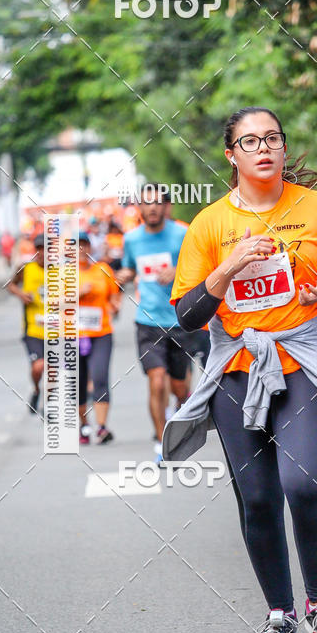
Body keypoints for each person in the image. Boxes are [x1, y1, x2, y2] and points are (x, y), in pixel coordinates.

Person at [165, 106, 317, 633]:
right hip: (238, 369)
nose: (264, 148)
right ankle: (280, 614)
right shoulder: (210, 225)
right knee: (257, 500)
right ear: (231, 155)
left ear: (283, 148)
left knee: (304, 483)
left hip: (300, 360)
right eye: (250, 141)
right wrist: (228, 265)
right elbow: (187, 314)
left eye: (273, 139)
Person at [117, 187, 195, 458]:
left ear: (167, 207)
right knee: (156, 379)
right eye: (146, 203)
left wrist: (178, 270)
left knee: (179, 387)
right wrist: (124, 275)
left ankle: (180, 408)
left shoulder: (182, 235)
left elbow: (200, 267)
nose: (151, 208)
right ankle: (163, 443)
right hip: (147, 321)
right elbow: (128, 267)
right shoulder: (132, 239)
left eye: (157, 203)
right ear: (139, 208)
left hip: (178, 318)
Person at [78, 231, 121, 445]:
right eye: (76, 246)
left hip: (101, 332)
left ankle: (102, 427)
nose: (81, 250)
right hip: (72, 335)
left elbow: (114, 292)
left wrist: (115, 304)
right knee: (78, 382)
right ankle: (83, 426)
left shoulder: (103, 269)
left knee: (100, 376)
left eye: (84, 245)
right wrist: (76, 293)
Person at [6, 231, 46, 414]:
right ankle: (37, 389)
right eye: (39, 249)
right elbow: (10, 284)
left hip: (56, 328)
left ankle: (50, 404)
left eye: (47, 249)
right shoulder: (26, 268)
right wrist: (21, 295)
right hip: (32, 329)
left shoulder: (61, 270)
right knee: (38, 367)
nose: (43, 253)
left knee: (51, 367)